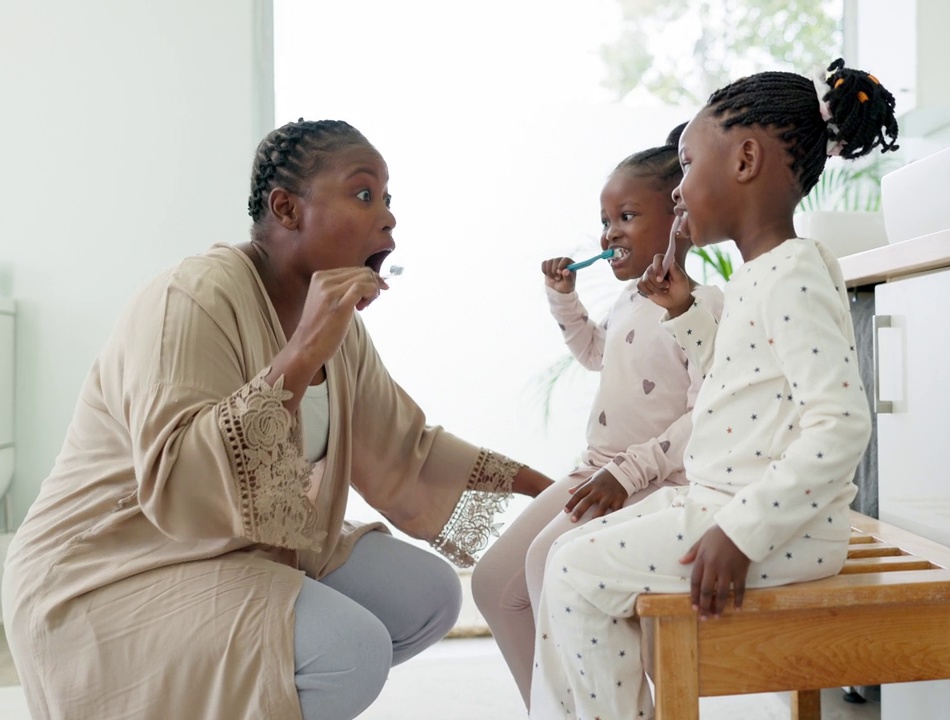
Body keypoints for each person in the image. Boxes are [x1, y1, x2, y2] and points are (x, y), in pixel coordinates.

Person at [1, 118, 554, 720]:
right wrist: (302, 353)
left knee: (429, 595)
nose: (388, 217)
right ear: (287, 209)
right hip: (111, 565)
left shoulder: (343, 329)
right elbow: (182, 479)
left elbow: (406, 453)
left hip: (241, 547)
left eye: (388, 199)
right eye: (364, 193)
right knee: (349, 650)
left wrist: (556, 496)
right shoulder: (190, 299)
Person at [527, 58, 899, 719]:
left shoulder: (792, 275)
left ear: (746, 159)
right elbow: (741, 384)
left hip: (775, 527)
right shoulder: (767, 272)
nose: (678, 192)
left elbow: (841, 424)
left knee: (572, 575)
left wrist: (743, 531)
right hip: (726, 503)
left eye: (689, 166)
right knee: (564, 556)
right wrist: (685, 312)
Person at [471, 124, 725, 708]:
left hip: (652, 483)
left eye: (627, 216)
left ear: (677, 215)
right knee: (492, 584)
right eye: (606, 220)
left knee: (546, 564)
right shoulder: (629, 300)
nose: (610, 232)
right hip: (597, 471)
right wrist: (565, 298)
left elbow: (705, 418)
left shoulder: (705, 307)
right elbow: (592, 353)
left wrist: (630, 473)